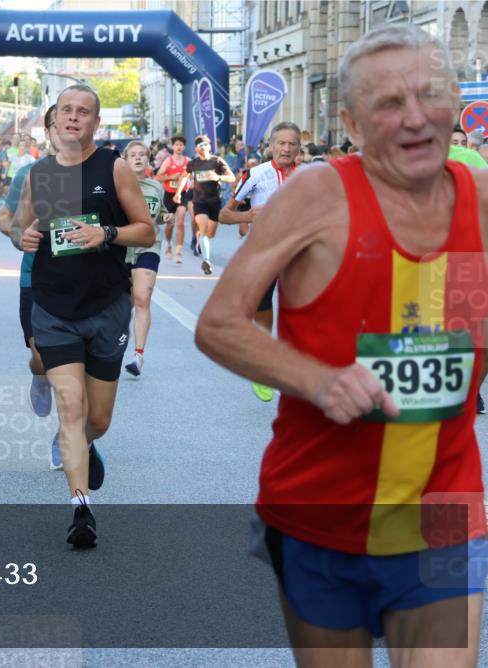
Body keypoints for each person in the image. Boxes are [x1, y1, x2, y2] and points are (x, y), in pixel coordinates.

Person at [196, 24, 487, 665]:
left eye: (430, 95)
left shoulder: (482, 203)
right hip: (320, 515)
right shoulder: (318, 195)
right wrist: (321, 381)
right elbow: (219, 322)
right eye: (389, 104)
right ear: (353, 124)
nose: (416, 118)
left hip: (444, 510)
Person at [10, 84, 154, 548]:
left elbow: (146, 231)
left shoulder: (111, 169)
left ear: (95, 123)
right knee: (71, 408)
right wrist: (22, 238)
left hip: (106, 307)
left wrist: (107, 233)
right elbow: (21, 227)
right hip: (54, 306)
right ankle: (80, 508)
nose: (74, 118)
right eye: (66, 110)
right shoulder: (40, 173)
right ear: (55, 120)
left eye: (83, 112)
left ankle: (84, 443)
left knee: (98, 420)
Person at [220, 122, 301, 402]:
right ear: (271, 146)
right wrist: (248, 216)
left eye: (292, 144)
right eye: (281, 143)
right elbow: (224, 216)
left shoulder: (311, 176)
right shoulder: (254, 175)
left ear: (299, 147)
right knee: (263, 309)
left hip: (299, 255)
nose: (286, 149)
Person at [0, 106, 60, 461]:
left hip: (87, 282)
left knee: (76, 369)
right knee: (42, 359)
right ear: (48, 132)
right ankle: (40, 376)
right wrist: (19, 234)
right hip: (35, 276)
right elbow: (4, 217)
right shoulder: (28, 174)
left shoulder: (105, 172)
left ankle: (66, 438)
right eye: (58, 123)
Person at [121, 140, 164, 377]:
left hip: (149, 246)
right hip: (121, 249)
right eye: (133, 155)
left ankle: (138, 356)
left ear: (148, 160)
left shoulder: (156, 187)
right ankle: (117, 343)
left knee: (142, 297)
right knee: (122, 304)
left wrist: (165, 218)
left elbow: (161, 213)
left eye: (142, 155)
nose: (138, 158)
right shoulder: (117, 187)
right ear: (126, 160)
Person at [175, 134, 235, 275]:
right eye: (199, 145)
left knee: (210, 233)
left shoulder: (217, 161)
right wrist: (178, 192)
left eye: (205, 144)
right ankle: (206, 260)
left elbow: (231, 177)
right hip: (199, 201)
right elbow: (184, 177)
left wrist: (218, 177)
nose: (202, 147)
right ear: (196, 149)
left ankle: (200, 239)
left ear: (209, 146)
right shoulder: (193, 163)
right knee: (203, 228)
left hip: (215, 201)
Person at [154, 135, 191, 263]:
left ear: (184, 147)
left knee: (180, 221)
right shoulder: (168, 161)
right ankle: (169, 243)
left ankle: (179, 252)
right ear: (173, 146)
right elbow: (157, 177)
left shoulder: (188, 161)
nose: (179, 147)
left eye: (181, 145)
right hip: (169, 195)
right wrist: (171, 177)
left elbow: (194, 176)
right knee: (170, 224)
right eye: (177, 144)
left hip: (183, 194)